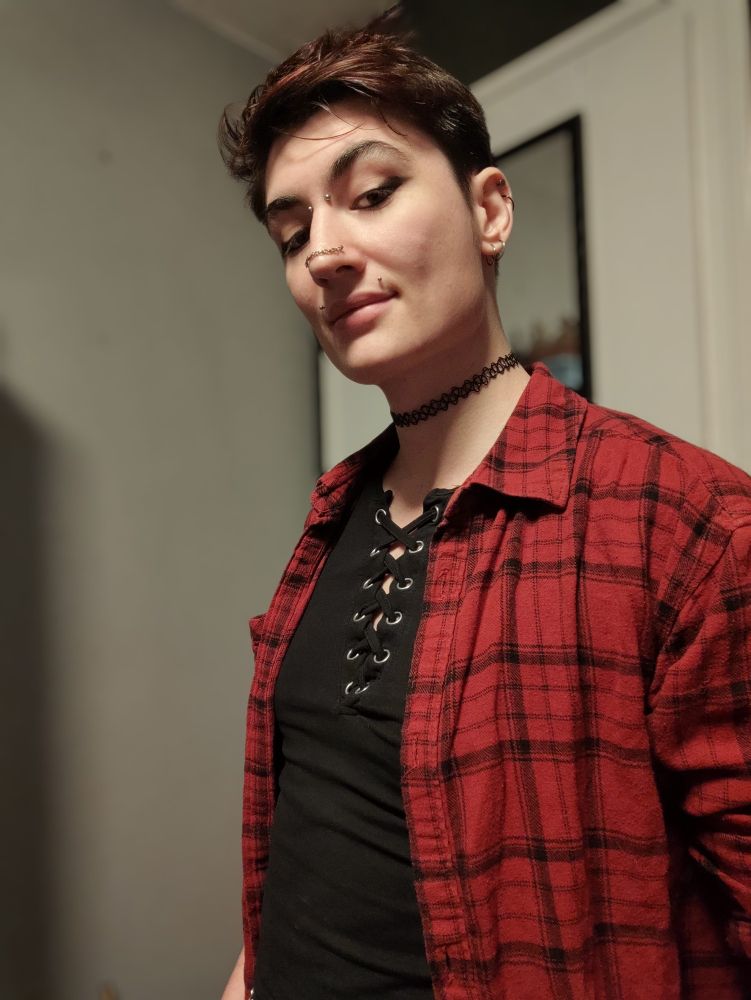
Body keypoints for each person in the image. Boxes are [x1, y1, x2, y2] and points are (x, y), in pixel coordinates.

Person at [218, 9, 751, 1000]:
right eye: (293, 233)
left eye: (371, 194)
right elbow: (327, 822)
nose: (323, 252)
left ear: (491, 210)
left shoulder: (690, 520)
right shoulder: (331, 516)